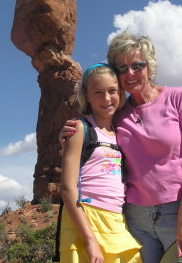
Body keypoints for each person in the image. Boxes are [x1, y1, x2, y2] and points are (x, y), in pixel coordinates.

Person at [60, 33, 182, 263]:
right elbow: (95, 138)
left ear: (150, 66)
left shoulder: (178, 98)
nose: (130, 73)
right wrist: (67, 134)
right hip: (136, 221)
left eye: (137, 65)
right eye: (122, 68)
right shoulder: (117, 114)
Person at [58, 63, 142, 263]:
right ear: (86, 95)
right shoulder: (79, 128)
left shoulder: (120, 131)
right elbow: (67, 188)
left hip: (117, 221)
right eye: (98, 92)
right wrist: (90, 240)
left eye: (112, 91)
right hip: (86, 219)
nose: (106, 99)